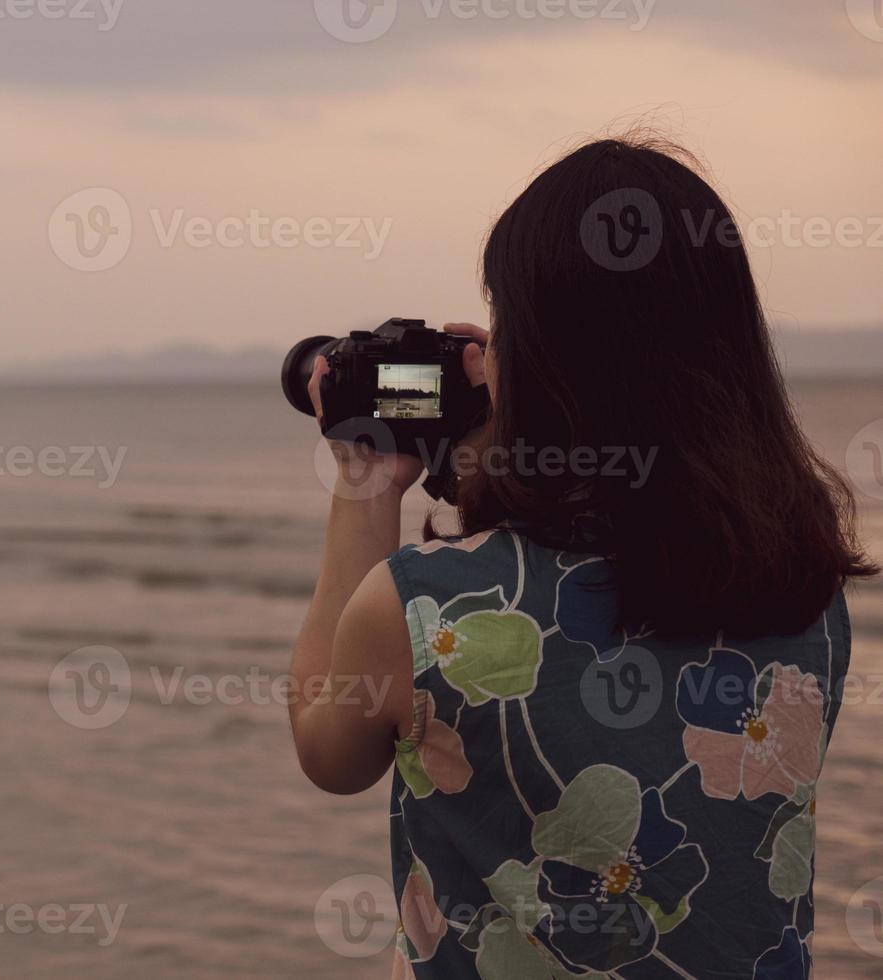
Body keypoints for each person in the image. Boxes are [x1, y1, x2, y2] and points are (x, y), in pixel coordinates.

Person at [286, 136, 876, 978]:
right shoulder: (804, 590)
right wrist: (513, 451)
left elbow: (329, 751)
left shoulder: (428, 608)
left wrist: (366, 478)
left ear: (534, 350)